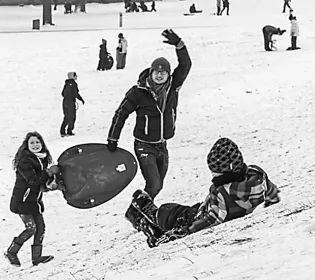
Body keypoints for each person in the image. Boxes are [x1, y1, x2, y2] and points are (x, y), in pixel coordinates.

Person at [126, 138, 279, 247]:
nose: (213, 176)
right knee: (175, 211)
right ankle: (147, 220)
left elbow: (209, 221)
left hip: (194, 217)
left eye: (215, 173)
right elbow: (272, 193)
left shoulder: (222, 194)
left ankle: (145, 215)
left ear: (226, 171)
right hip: (214, 209)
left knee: (168, 213)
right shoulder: (256, 173)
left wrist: (179, 233)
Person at [107, 29, 192, 198]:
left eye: (163, 72)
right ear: (151, 73)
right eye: (156, 72)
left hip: (162, 144)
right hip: (143, 145)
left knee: (157, 187)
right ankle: (137, 210)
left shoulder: (173, 87)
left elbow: (185, 65)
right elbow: (120, 114)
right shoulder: (138, 92)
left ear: (168, 75)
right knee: (154, 184)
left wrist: (180, 45)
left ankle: (140, 207)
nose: (160, 75)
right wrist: (113, 138)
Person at [5, 131, 59, 266]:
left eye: (37, 142)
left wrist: (50, 184)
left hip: (34, 201)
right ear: (27, 145)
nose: (35, 145)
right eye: (32, 143)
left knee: (40, 228)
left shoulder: (43, 158)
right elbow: (33, 180)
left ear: (42, 144)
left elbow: (41, 182)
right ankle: (11, 252)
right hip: (22, 201)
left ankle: (37, 258)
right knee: (31, 228)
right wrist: (48, 172)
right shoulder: (25, 160)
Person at [60, 72, 84, 137]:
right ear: (72, 77)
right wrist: (81, 99)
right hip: (71, 102)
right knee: (72, 117)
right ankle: (69, 131)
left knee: (66, 117)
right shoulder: (73, 84)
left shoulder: (66, 84)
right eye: (75, 75)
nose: (76, 77)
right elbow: (75, 93)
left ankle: (62, 131)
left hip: (65, 102)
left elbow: (62, 93)